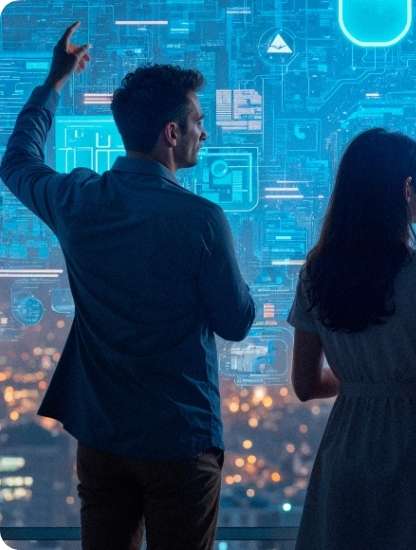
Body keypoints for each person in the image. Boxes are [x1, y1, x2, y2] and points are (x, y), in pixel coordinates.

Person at [0, 23, 255, 550]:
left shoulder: (79, 201)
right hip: (179, 437)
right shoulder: (202, 221)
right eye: (197, 122)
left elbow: (18, 161)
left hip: (103, 434)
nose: (203, 133)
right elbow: (236, 321)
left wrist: (54, 83)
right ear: (171, 132)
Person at [288, 128, 416, 550]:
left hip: (348, 441)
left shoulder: (316, 273)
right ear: (405, 187)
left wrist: (367, 378)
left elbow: (306, 385)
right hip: (414, 442)